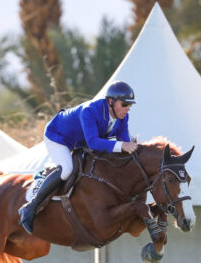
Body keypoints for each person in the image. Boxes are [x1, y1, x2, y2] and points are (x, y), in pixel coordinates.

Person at [18, 81, 139, 234]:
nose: (127, 109)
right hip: (58, 136)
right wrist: (122, 146)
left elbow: (123, 143)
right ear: (110, 101)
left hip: (80, 140)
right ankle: (30, 208)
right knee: (66, 170)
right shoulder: (89, 111)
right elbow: (94, 142)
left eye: (130, 105)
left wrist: (130, 147)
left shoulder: (122, 117)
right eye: (125, 104)